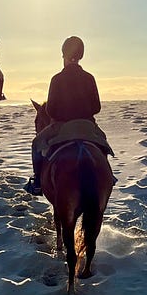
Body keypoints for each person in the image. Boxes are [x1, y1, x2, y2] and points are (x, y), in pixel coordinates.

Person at [25, 35, 111, 195]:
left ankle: (37, 182)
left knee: (37, 144)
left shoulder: (57, 79)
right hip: (87, 126)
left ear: (63, 54)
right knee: (103, 143)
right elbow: (96, 107)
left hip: (61, 126)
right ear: (81, 56)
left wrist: (63, 114)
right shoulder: (89, 77)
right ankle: (108, 177)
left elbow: (50, 111)